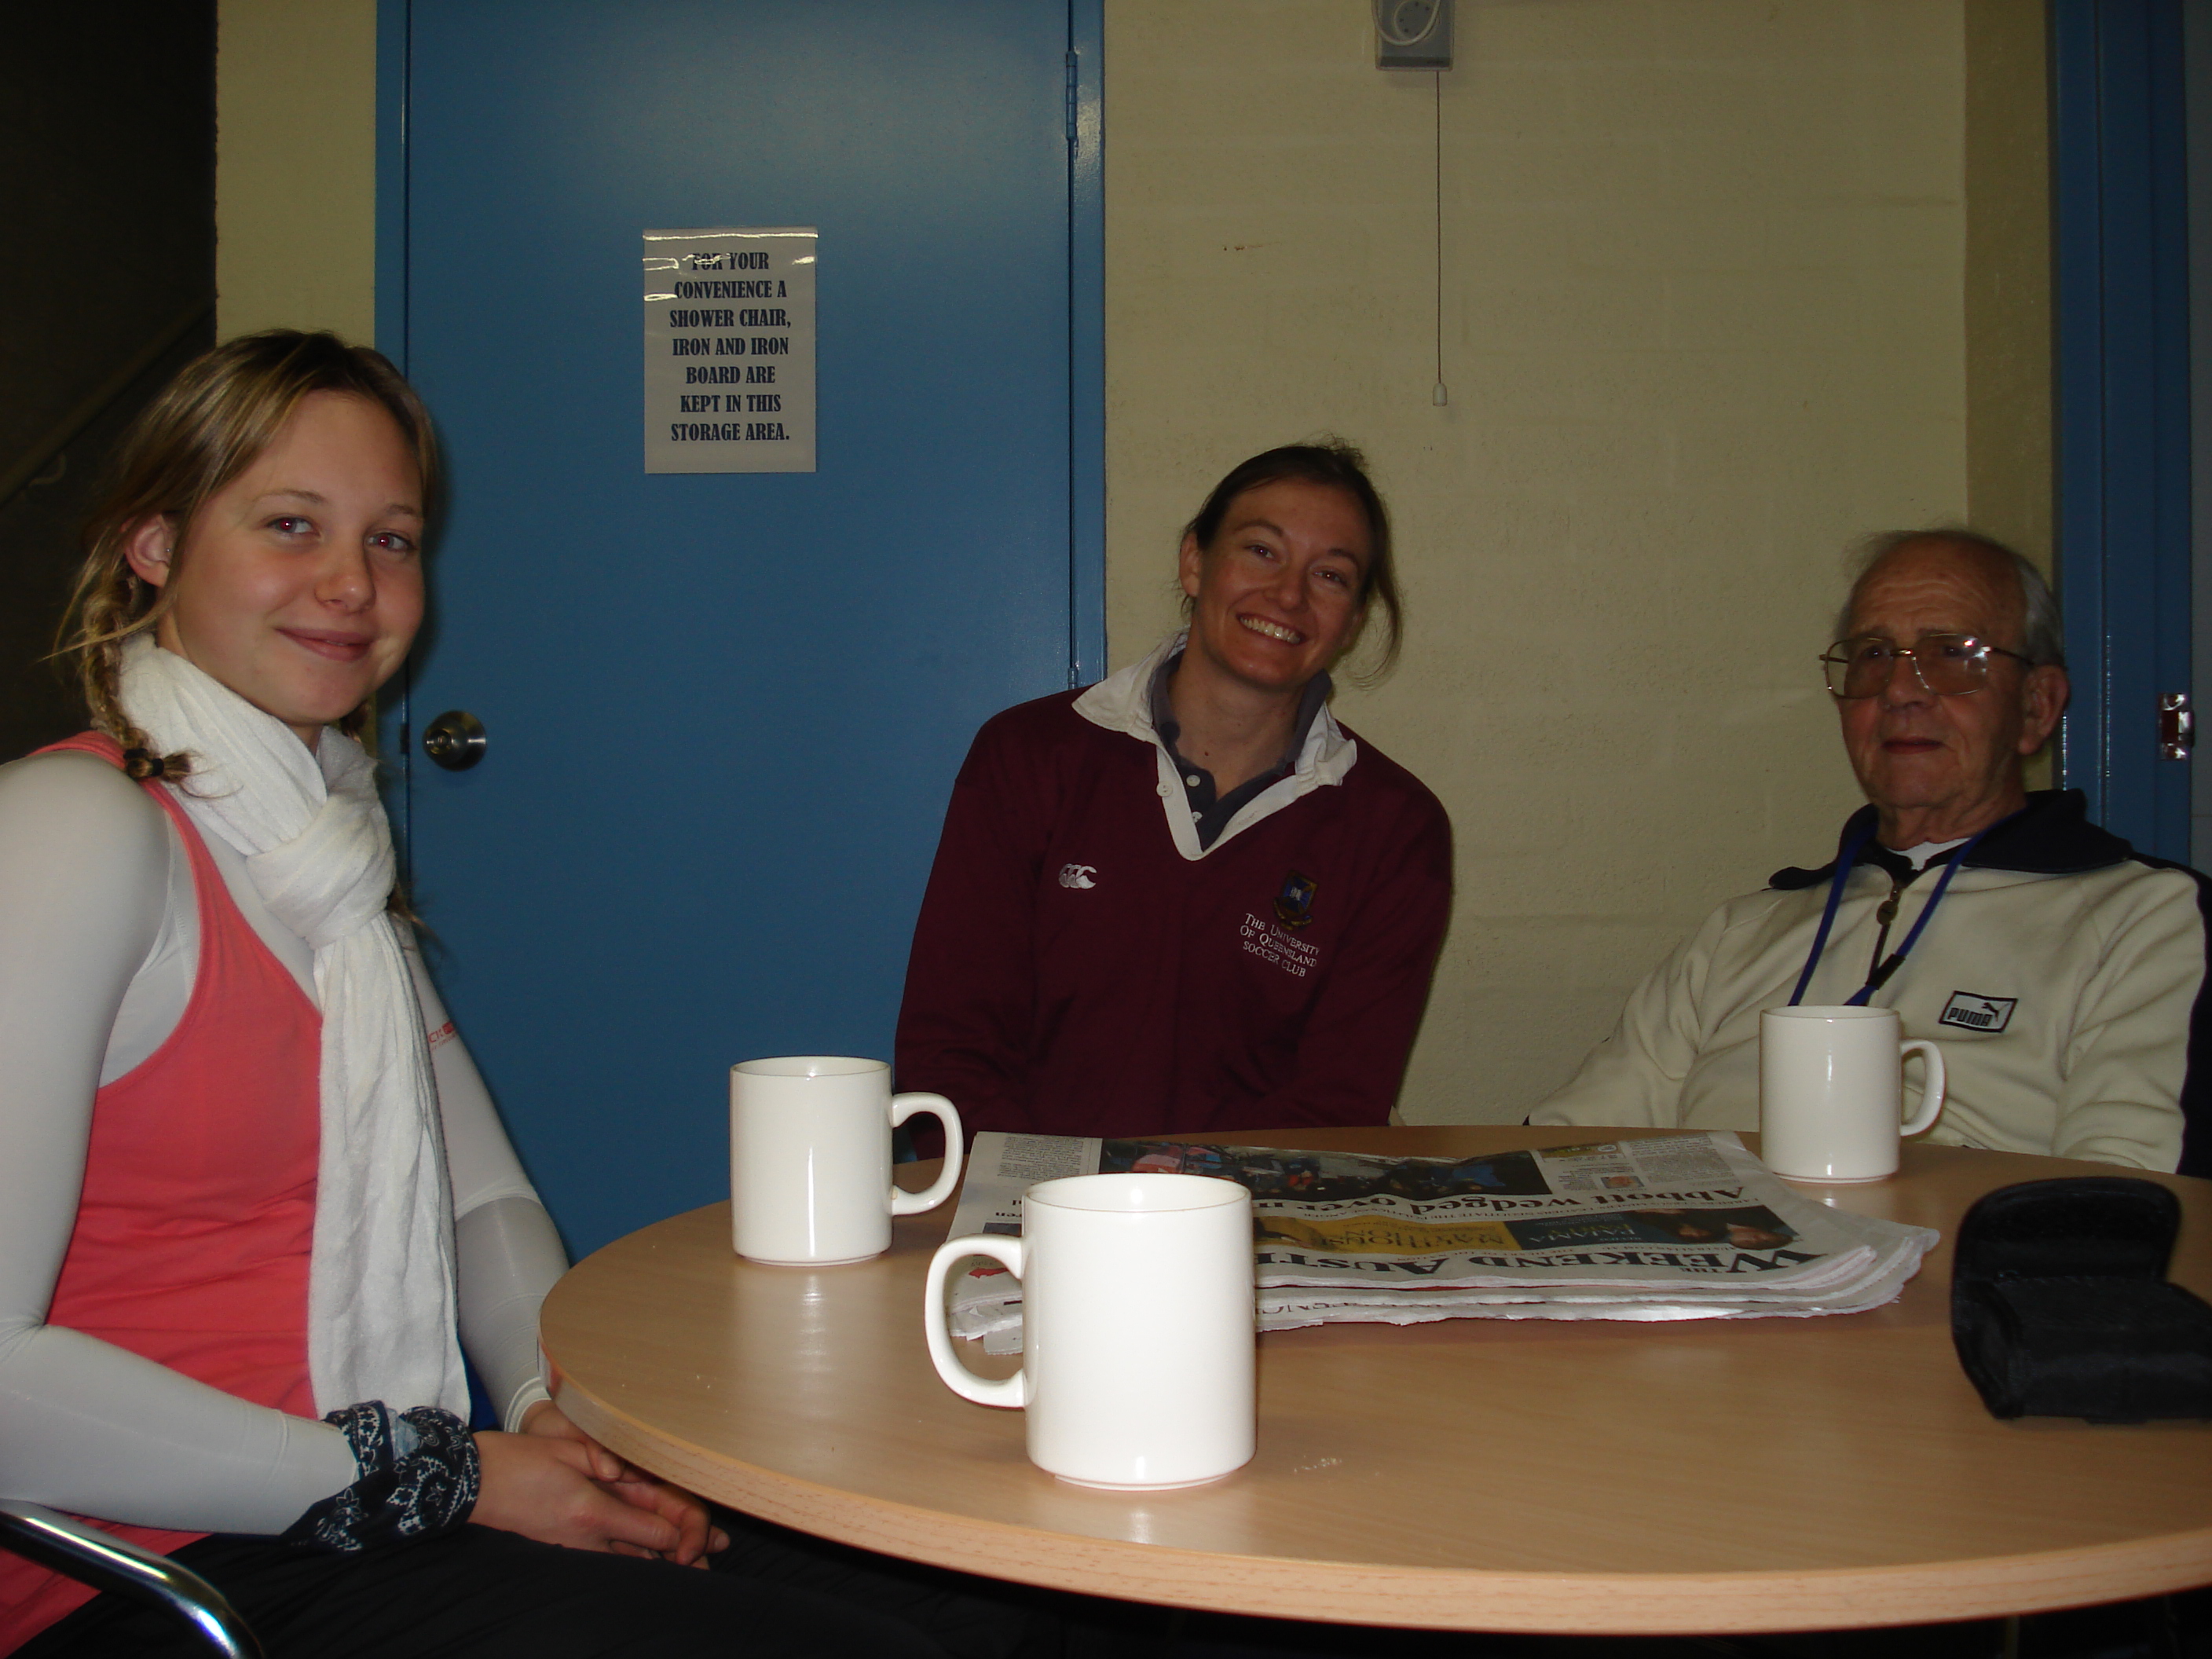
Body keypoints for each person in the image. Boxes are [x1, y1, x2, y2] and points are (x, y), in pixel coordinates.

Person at [0, 331, 959, 1658]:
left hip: (374, 1506)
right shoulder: (76, 827)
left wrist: (547, 1411)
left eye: (391, 540)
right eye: (291, 524)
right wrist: (446, 1479)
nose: (352, 584)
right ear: (154, 543)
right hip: (153, 1578)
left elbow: (479, 1199)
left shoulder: (322, 861)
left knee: (962, 1589)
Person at [1532, 530, 2209, 1175]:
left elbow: (2126, 1194)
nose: (1900, 691)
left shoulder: (2146, 916)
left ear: (2036, 707)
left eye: (1952, 653)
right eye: (1874, 655)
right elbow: (1566, 1146)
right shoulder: (1741, 933)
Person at [895, 441, 1453, 1141]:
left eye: (1331, 575)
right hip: (1030, 1198)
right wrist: (1043, 1194)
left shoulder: (1395, 830)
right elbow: (951, 1049)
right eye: (1262, 551)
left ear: (1354, 619)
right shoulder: (1032, 756)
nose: (1289, 596)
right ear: (1194, 562)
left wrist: (1205, 1202)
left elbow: (1339, 1102)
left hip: (1250, 1207)